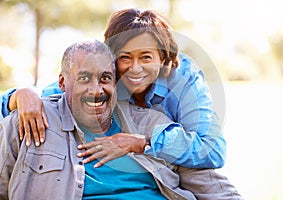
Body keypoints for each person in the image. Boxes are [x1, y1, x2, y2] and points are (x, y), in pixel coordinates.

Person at [0, 8, 243, 199]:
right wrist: (18, 95)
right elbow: (63, 92)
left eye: (146, 57)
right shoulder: (104, 76)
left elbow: (211, 152)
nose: (135, 68)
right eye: (125, 57)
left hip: (170, 158)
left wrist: (143, 143)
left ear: (163, 56)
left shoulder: (183, 83)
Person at [0, 40, 199, 200]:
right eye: (84, 79)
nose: (96, 91)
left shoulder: (153, 125)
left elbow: (209, 184)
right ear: (62, 82)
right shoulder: (28, 120)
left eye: (105, 79)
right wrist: (19, 94)